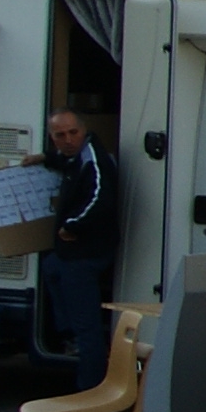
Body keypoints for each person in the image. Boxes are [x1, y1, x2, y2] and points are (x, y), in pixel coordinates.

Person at [40, 111, 121, 369]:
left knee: (87, 326)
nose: (68, 139)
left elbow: (101, 200)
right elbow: (67, 161)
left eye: (73, 133)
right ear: (52, 138)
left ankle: (91, 385)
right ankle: (70, 334)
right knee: (50, 268)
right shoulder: (77, 155)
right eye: (60, 135)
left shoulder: (94, 161)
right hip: (74, 250)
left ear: (83, 130)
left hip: (87, 251)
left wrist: (72, 225)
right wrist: (44, 158)